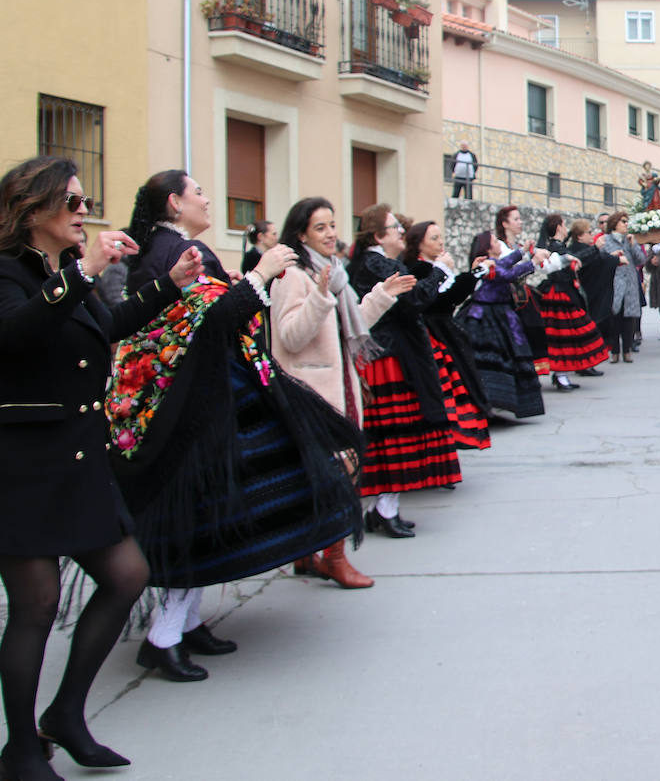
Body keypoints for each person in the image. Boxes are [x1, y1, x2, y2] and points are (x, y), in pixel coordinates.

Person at [0, 156, 201, 781]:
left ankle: (68, 714)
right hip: (19, 466)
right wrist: (81, 273)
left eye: (84, 203)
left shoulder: (58, 274)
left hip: (75, 460)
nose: (84, 212)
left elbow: (106, 326)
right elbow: (12, 332)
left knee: (128, 573)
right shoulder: (0, 273)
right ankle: (20, 749)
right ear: (34, 211)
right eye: (73, 203)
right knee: (36, 605)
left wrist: (172, 284)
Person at [117, 171, 362, 683]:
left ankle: (183, 625)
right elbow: (211, 324)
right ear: (174, 203)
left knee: (208, 512)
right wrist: (261, 274)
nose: (207, 199)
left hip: (197, 400)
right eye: (199, 192)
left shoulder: (168, 249)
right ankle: (165, 638)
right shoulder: (176, 253)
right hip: (198, 406)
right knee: (203, 512)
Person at [271, 197, 417, 584]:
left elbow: (348, 330)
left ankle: (309, 554)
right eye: (320, 227)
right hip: (312, 392)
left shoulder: (333, 271)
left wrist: (381, 296)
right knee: (338, 474)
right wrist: (320, 297)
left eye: (332, 225)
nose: (331, 233)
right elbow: (290, 335)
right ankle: (334, 558)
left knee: (333, 473)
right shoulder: (293, 276)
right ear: (301, 233)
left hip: (341, 387)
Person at [346, 203, 458, 539]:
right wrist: (439, 270)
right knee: (393, 435)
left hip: (393, 352)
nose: (400, 231)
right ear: (378, 235)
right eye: (394, 227)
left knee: (396, 435)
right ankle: (383, 509)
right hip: (388, 356)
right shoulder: (375, 262)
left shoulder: (377, 261)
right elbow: (414, 300)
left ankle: (385, 508)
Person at [402, 220, 492, 450]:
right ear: (418, 244)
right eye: (434, 238)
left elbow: (451, 298)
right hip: (431, 334)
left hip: (444, 330)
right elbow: (439, 302)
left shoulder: (431, 266)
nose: (440, 242)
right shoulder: (419, 269)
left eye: (440, 237)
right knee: (443, 389)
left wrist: (473, 274)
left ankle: (450, 439)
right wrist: (462, 275)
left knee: (457, 386)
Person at [459, 225, 550, 419]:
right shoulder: (488, 265)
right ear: (488, 248)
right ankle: (491, 400)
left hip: (497, 314)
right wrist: (532, 262)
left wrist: (523, 251)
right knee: (494, 356)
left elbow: (506, 263)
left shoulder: (493, 262)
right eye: (494, 242)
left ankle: (496, 401)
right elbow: (507, 274)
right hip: (486, 317)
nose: (498, 243)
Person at [534, 214, 609, 389]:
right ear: (559, 227)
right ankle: (560, 375)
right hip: (559, 295)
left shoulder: (559, 246)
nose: (566, 227)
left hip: (565, 292)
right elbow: (571, 261)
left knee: (567, 335)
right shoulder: (554, 247)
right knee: (562, 336)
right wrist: (595, 249)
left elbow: (575, 258)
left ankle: (562, 374)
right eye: (563, 225)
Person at [597, 212, 644, 363]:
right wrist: (613, 256)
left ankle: (627, 350)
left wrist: (633, 245)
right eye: (623, 221)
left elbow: (641, 260)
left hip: (629, 283)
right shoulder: (606, 240)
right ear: (615, 223)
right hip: (613, 283)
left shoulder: (629, 240)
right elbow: (600, 261)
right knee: (614, 318)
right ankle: (615, 351)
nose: (626, 224)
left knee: (628, 318)